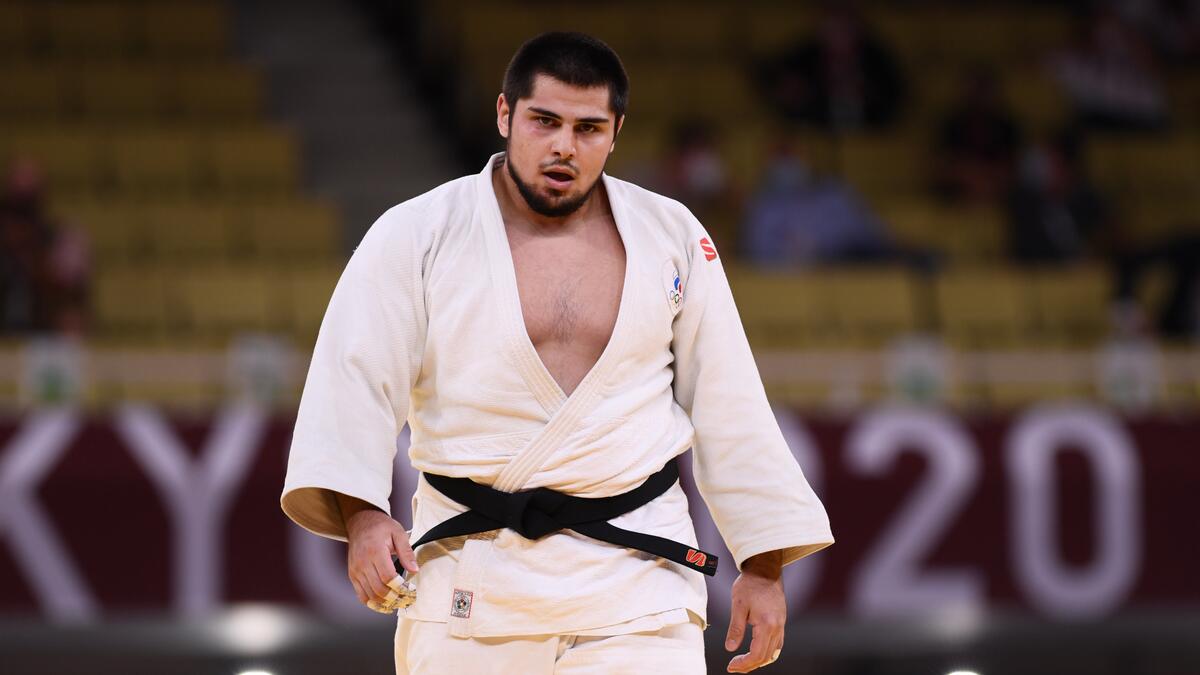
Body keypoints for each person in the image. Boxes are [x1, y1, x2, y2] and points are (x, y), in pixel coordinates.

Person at [281, 32, 832, 674]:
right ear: (505, 114)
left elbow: (728, 401)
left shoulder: (671, 234)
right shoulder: (417, 233)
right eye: (544, 121)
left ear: (616, 132)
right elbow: (354, 379)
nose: (564, 146)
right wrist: (363, 517)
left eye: (588, 128)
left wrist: (762, 567)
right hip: (471, 575)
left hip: (639, 582)